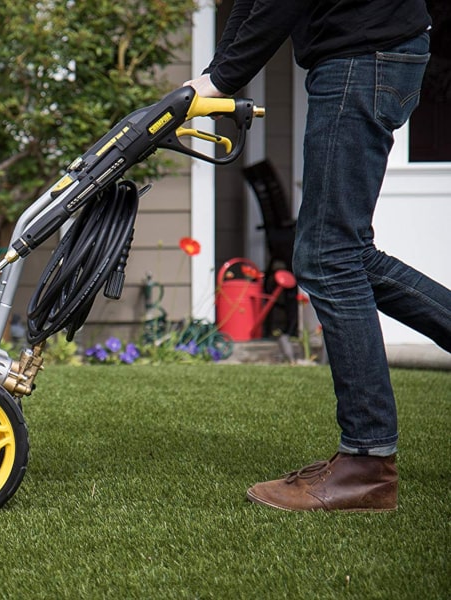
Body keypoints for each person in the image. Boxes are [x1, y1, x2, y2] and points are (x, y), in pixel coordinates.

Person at [184, 0, 451, 512]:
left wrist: (220, 78)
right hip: (371, 52)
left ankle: (368, 464)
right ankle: (366, 463)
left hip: (363, 55)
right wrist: (212, 75)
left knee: (329, 256)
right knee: (345, 254)